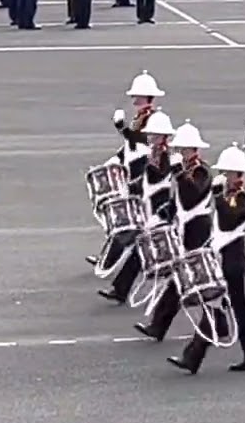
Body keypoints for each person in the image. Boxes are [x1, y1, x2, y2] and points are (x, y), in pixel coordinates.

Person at [167, 143, 245, 374]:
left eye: (227, 173)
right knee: (217, 307)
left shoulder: (242, 200)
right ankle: (195, 357)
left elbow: (229, 219)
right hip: (221, 260)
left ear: (236, 176)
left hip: (232, 264)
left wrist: (219, 197)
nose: (223, 176)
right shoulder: (228, 195)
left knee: (238, 310)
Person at [131, 120, 214, 338]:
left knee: (197, 281)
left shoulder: (202, 171)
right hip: (184, 230)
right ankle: (158, 326)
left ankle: (215, 321)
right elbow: (177, 201)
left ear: (194, 150)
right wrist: (161, 215)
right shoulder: (186, 170)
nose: (181, 153)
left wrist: (178, 171)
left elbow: (190, 198)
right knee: (179, 280)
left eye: (185, 149)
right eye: (180, 149)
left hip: (198, 232)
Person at [100, 111, 185, 305]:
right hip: (147, 208)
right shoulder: (152, 154)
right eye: (151, 134)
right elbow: (143, 179)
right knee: (142, 250)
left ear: (164, 137)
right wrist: (127, 189)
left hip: (160, 210)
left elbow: (165, 182)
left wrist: (163, 214)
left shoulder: (167, 157)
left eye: (155, 135)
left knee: (156, 253)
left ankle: (122, 289)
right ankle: (120, 289)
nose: (151, 137)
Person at [86, 71, 165, 268]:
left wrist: (123, 130)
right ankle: (110, 259)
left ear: (147, 98)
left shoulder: (153, 120)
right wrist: (116, 158)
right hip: (133, 171)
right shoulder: (140, 118)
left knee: (128, 222)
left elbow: (143, 141)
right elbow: (131, 146)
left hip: (142, 175)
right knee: (127, 221)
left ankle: (110, 262)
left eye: (137, 97)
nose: (134, 100)